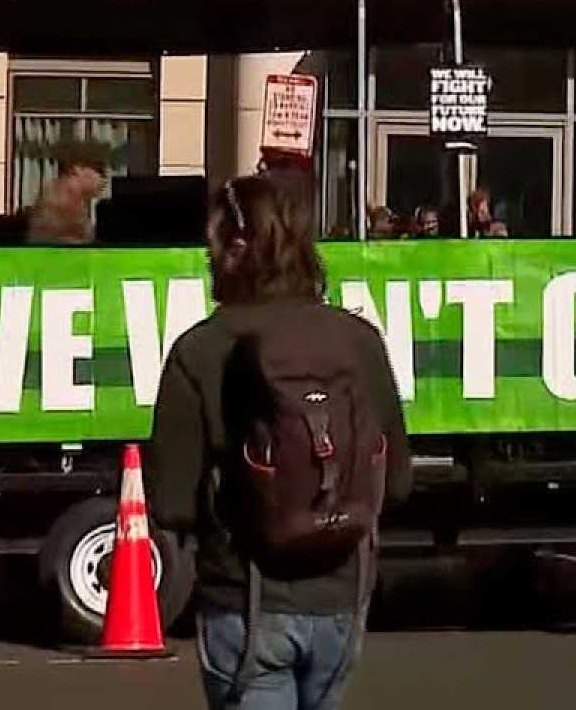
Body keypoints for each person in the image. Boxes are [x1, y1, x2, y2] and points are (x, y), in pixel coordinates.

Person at [148, 173, 413, 710]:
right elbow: (399, 482)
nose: (207, 257)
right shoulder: (358, 341)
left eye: (212, 245)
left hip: (246, 600)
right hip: (341, 599)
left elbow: (171, 504)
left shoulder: (199, 351)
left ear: (236, 249)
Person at [24, 140, 108, 244]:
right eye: (99, 171)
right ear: (78, 168)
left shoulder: (69, 199)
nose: (104, 179)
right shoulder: (60, 200)